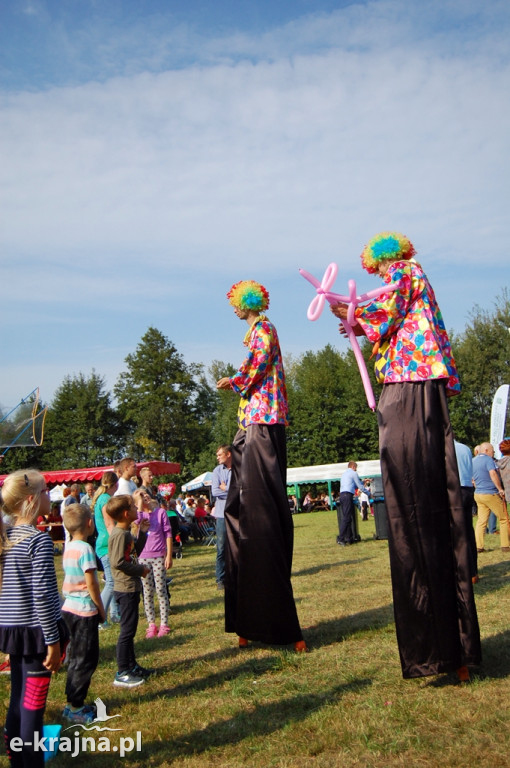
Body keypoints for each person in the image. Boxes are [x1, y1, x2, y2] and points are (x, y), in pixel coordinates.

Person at [331, 232, 481, 680]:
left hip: (410, 382)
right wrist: (357, 322)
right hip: (413, 382)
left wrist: (353, 316)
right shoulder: (413, 275)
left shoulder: (403, 273)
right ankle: (448, 647)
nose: (376, 273)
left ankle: (443, 648)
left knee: (413, 498)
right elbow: (385, 316)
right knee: (423, 498)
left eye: (376, 268)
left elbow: (387, 310)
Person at [217, 279, 305, 651]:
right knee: (239, 516)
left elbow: (255, 367)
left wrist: (233, 380)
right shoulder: (255, 332)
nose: (234, 310)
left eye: (236, 303)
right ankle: (247, 620)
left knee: (262, 518)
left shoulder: (264, 330)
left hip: (263, 426)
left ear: (247, 303)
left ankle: (275, 622)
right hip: (249, 427)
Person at [0, 469, 67, 768]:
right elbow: (42, 596)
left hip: (13, 632)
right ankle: (31, 762)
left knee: (18, 699)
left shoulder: (6, 538)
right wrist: (53, 641)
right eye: (44, 491)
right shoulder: (37, 542)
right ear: (30, 500)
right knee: (33, 706)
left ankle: (17, 760)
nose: (48, 496)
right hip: (37, 635)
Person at [61, 503, 106, 724]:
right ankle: (76, 706)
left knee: (76, 657)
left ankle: (71, 702)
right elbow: (92, 584)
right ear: (90, 524)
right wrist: (100, 607)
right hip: (84, 611)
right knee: (86, 658)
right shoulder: (86, 549)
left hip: (68, 608)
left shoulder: (68, 546)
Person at [106, 494, 151, 687]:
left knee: (131, 630)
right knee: (127, 631)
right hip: (125, 588)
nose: (136, 509)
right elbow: (117, 562)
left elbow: (134, 553)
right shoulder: (119, 535)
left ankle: (132, 666)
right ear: (126, 513)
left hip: (131, 587)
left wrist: (142, 532)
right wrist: (140, 570)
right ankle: (123, 670)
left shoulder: (126, 534)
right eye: (133, 507)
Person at [134, 489, 172, 638]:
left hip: (158, 556)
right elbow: (135, 524)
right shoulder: (139, 515)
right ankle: (151, 624)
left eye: (146, 495)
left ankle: (164, 623)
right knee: (147, 591)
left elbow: (168, 533)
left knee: (161, 589)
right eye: (142, 496)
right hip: (143, 557)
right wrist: (138, 505)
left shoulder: (160, 513)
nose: (145, 497)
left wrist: (168, 555)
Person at [92, 472, 121, 626]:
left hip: (104, 543)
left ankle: (115, 614)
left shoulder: (103, 498)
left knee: (113, 581)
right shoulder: (105, 500)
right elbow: (110, 525)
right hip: (107, 545)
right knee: (111, 582)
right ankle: (99, 619)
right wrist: (118, 543)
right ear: (115, 484)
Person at [472, 442, 509, 553]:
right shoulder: (488, 460)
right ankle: (506, 545)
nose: (493, 452)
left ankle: (479, 546)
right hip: (490, 493)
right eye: (492, 450)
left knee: (481, 521)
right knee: (504, 519)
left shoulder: (473, 460)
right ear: (486, 450)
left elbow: (472, 478)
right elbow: (493, 474)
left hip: (478, 493)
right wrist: (500, 489)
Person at [454, 440, 478, 583]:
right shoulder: (465, 448)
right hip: (468, 489)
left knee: (457, 532)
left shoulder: (444, 449)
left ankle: (462, 570)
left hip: (455, 490)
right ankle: (473, 571)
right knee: (468, 531)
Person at [211, 444, 232, 590]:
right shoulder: (217, 471)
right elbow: (215, 492)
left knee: (239, 545)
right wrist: (233, 492)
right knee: (222, 547)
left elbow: (244, 489)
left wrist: (227, 488)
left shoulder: (240, 469)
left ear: (228, 454)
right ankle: (220, 578)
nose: (217, 457)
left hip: (237, 513)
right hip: (221, 515)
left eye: (220, 455)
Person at [338, 461, 365, 545]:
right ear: (353, 466)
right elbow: (359, 486)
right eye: (356, 468)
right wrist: (368, 493)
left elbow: (355, 485)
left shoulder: (344, 474)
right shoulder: (353, 473)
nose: (356, 470)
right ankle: (341, 538)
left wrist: (363, 481)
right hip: (347, 495)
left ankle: (349, 538)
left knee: (348, 518)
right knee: (346, 518)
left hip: (342, 495)